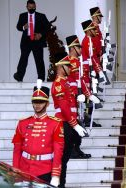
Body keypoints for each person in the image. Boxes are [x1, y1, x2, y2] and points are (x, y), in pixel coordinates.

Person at [12, 81, 63, 187]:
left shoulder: (55, 123)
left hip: (44, 171)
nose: (37, 105)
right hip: (24, 170)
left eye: (41, 102)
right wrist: (15, 170)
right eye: (35, 102)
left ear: (47, 104)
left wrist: (55, 175)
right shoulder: (23, 123)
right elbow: (17, 149)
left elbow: (58, 151)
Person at [51, 52, 87, 187]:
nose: (70, 68)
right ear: (60, 67)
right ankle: (59, 184)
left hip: (69, 122)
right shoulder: (59, 84)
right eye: (67, 66)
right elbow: (64, 107)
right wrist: (74, 124)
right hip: (63, 123)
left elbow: (70, 106)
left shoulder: (65, 83)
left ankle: (62, 184)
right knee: (61, 158)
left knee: (65, 158)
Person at [66, 35, 101, 159]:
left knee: (78, 121)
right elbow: (65, 81)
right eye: (78, 48)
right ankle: (71, 149)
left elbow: (80, 80)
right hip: (70, 97)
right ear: (73, 48)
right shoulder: (67, 62)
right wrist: (74, 94)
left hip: (77, 96)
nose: (81, 50)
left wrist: (89, 95)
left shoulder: (77, 61)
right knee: (72, 122)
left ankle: (76, 147)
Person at [14, 0, 51, 82]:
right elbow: (18, 27)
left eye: (33, 7)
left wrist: (40, 34)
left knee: (39, 60)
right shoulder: (22, 16)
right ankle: (19, 76)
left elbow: (48, 27)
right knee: (23, 59)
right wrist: (24, 27)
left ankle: (41, 78)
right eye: (30, 7)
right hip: (26, 41)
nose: (31, 9)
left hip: (37, 41)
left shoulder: (41, 16)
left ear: (35, 7)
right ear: (26, 7)